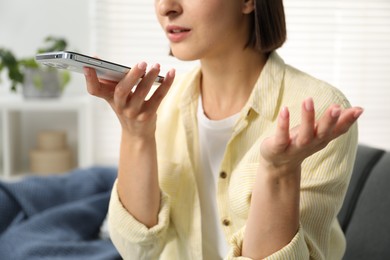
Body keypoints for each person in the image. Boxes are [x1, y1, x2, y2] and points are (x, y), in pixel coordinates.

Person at [84, 0, 363, 259]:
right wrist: (135, 134)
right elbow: (136, 250)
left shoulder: (318, 110)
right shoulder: (159, 104)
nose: (166, 7)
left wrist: (278, 172)